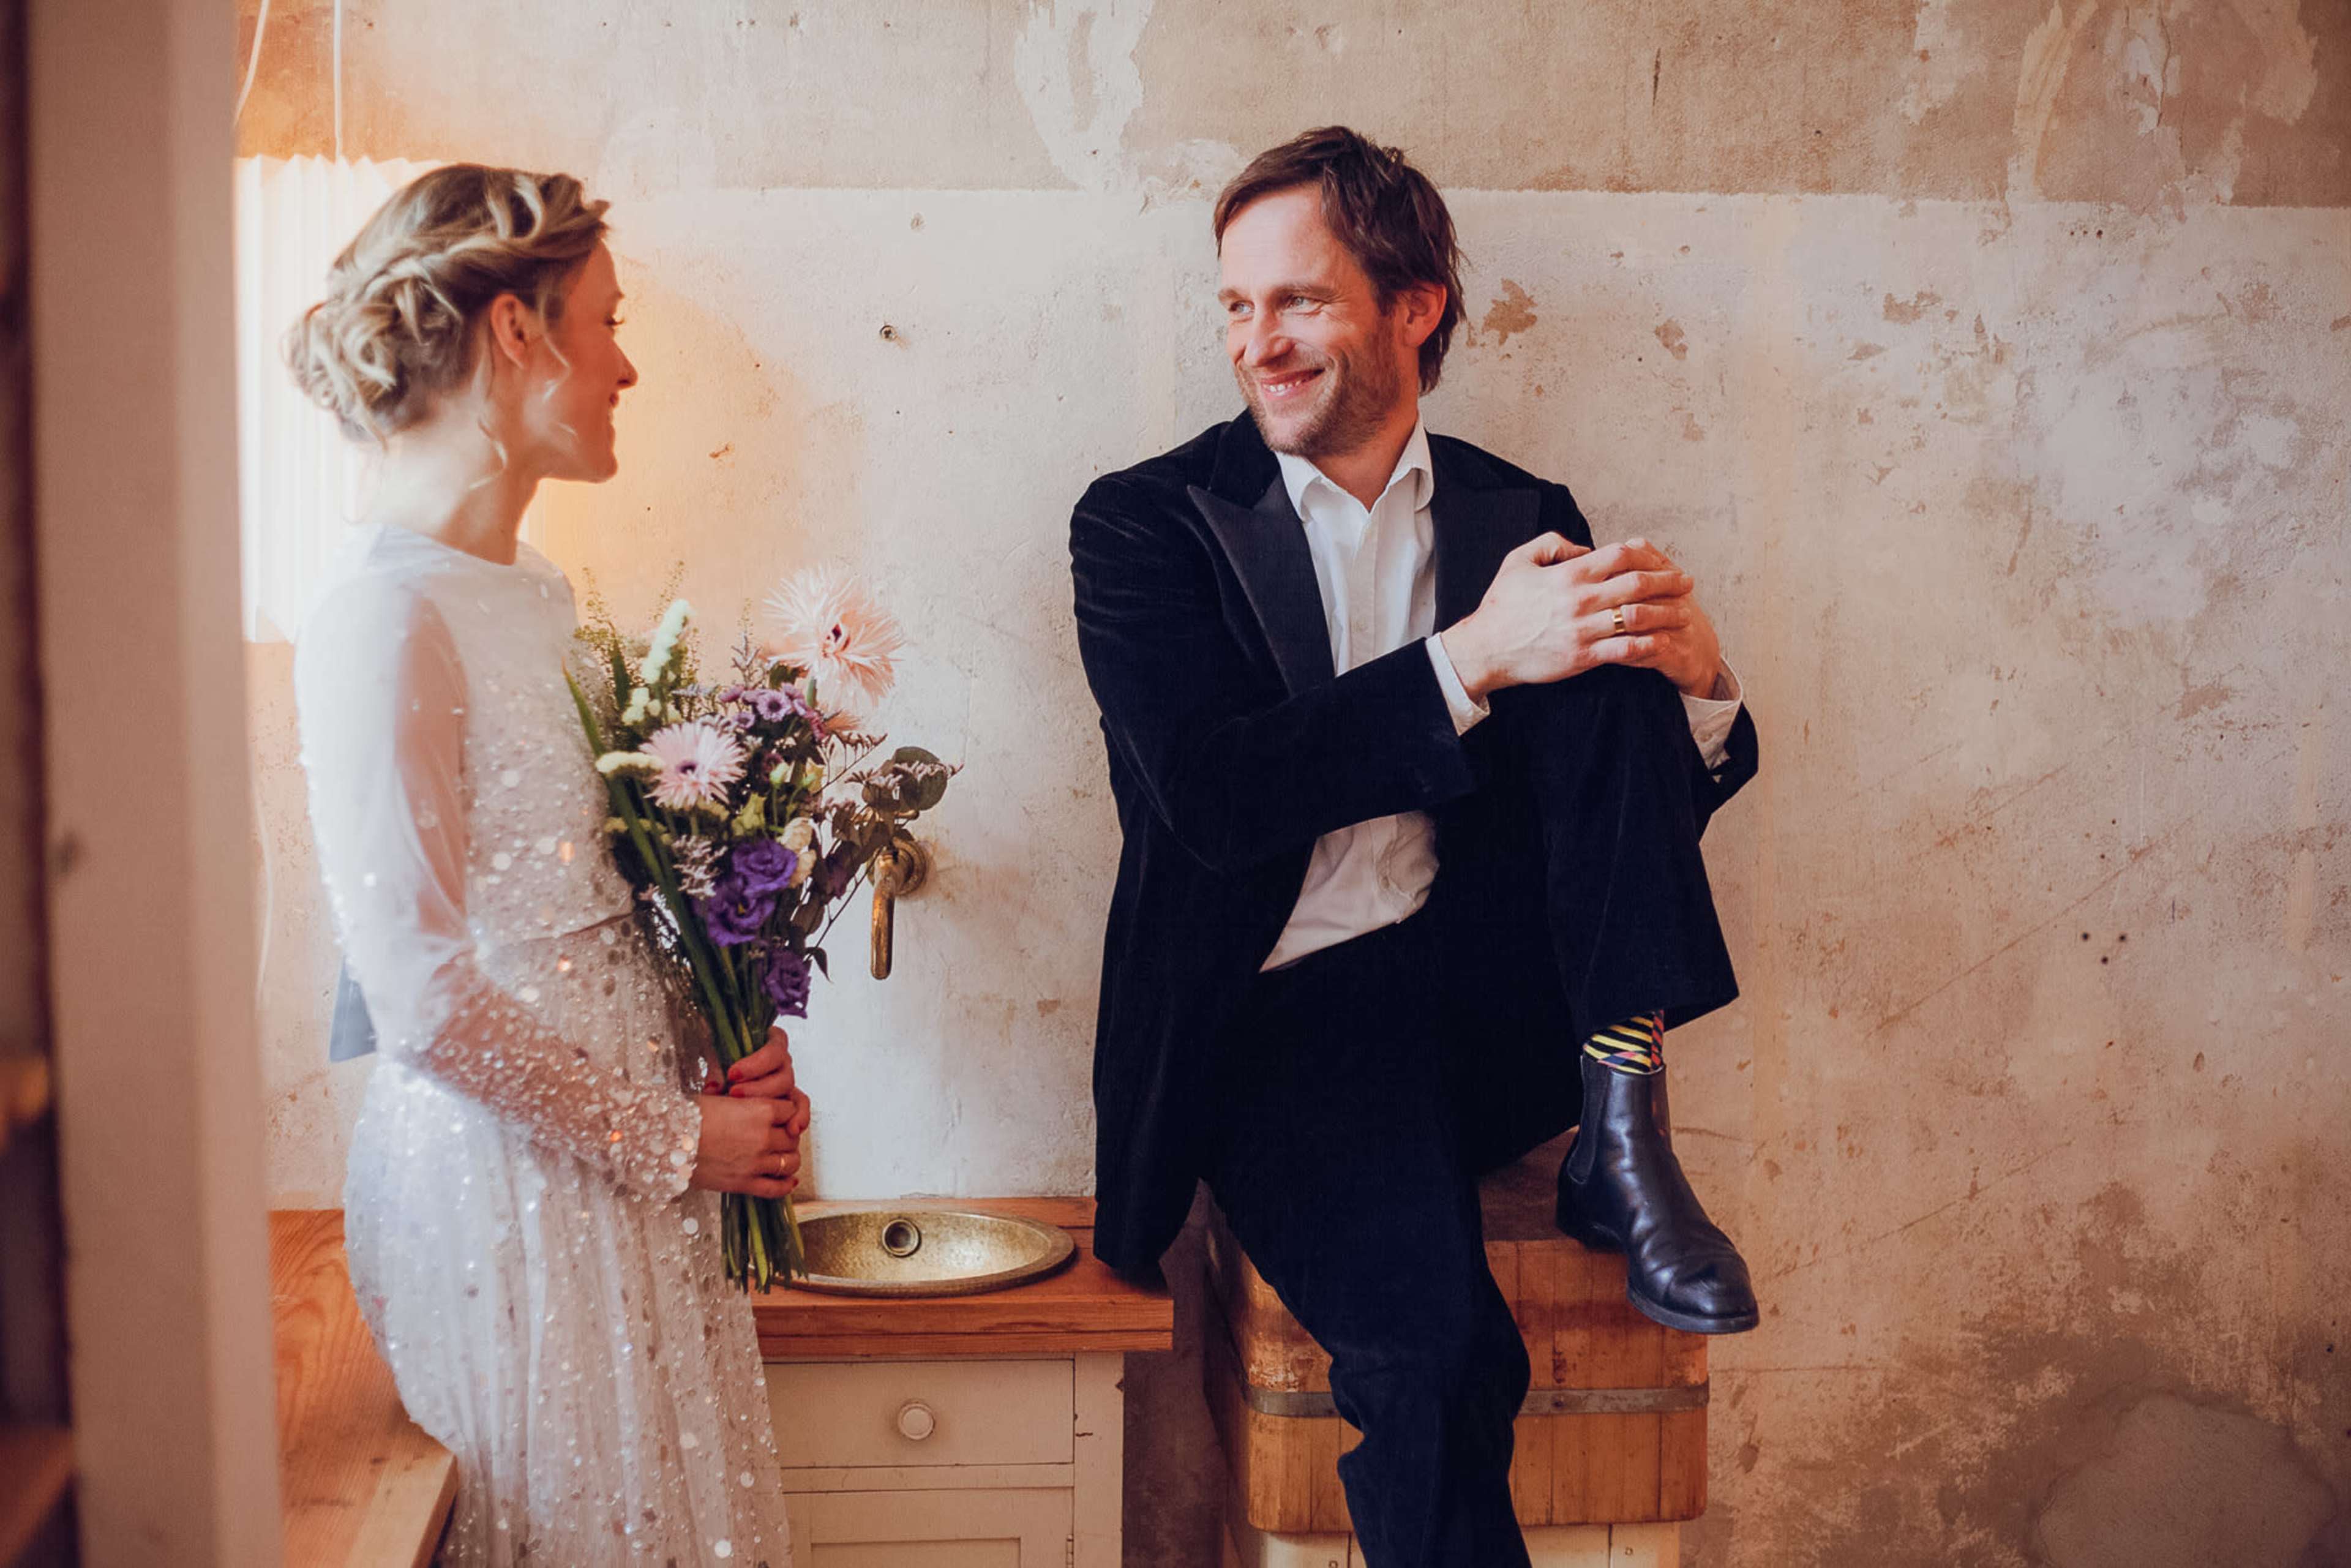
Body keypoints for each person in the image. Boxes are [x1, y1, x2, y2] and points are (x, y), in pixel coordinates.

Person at [1068, 127, 1760, 1566]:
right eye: (1238, 307)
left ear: (1415, 306)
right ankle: (1610, 1134)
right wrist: (1469, 661)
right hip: (1286, 1016)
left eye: (1300, 301)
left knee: (1607, 626)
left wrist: (1703, 692)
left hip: (1491, 1000)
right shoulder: (1146, 524)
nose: (1260, 342)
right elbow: (1212, 796)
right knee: (1442, 1363)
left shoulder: (1519, 515)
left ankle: (1623, 1117)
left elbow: (1606, 824)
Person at [289, 165, 804, 1568]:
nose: (626, 362)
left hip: (619, 1174)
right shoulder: (381, 615)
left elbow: (584, 895)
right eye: (606, 319)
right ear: (516, 332)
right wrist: (675, 1140)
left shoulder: (532, 596)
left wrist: (722, 1054)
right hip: (505, 1193)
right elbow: (420, 998)